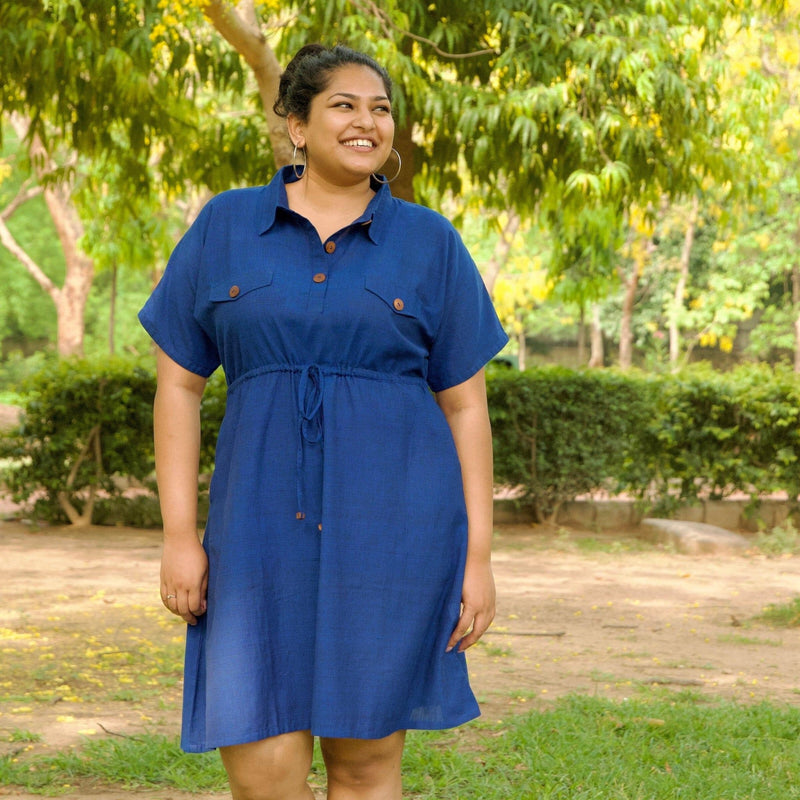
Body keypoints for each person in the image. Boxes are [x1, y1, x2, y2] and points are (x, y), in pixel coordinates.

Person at [139, 43, 508, 800]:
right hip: (255, 535)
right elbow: (178, 386)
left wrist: (478, 556)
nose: (367, 122)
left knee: (366, 766)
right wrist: (180, 537)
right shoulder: (226, 225)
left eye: (380, 109)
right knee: (264, 768)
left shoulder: (430, 242)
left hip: (394, 535)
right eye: (344, 105)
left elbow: (466, 406)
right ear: (296, 126)